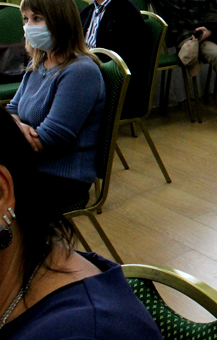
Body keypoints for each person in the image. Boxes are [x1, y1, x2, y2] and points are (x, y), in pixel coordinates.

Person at [0, 109, 162, 339]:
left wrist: (23, 127)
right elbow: (14, 110)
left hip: (63, 175)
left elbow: (52, 135)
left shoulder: (86, 331)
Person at [6, 0, 106, 212]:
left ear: (60, 21)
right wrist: (19, 127)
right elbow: (11, 109)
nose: (28, 26)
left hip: (61, 178)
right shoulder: (39, 63)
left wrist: (13, 129)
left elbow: (48, 139)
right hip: (30, 165)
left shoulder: (80, 72)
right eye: (26, 19)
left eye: (37, 18)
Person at [76, 0, 148, 119]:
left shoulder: (127, 13)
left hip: (111, 86)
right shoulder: (87, 12)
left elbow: (125, 63)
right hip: (87, 75)